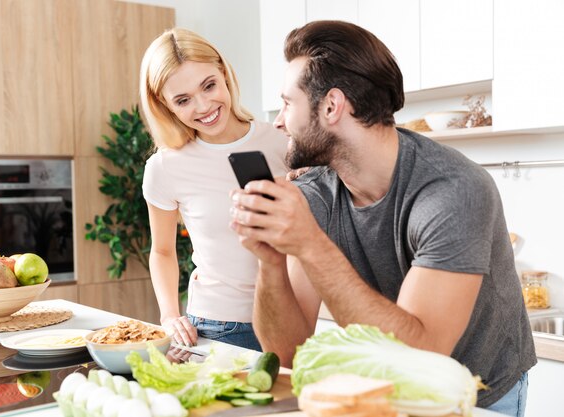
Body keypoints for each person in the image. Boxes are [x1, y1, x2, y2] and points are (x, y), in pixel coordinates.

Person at [229, 20, 535, 416]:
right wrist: (270, 260)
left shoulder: (454, 189)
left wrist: (309, 243)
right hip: (388, 391)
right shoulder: (316, 194)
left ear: (332, 106)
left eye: (288, 103)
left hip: (480, 396)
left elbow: (421, 354)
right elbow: (286, 352)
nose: (279, 120)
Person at [139, 28, 288, 351]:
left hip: (291, 316)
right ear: (165, 106)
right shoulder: (165, 167)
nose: (204, 106)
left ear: (224, 72)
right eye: (183, 100)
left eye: (209, 85)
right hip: (218, 327)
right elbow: (162, 251)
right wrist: (168, 316)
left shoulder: (283, 142)